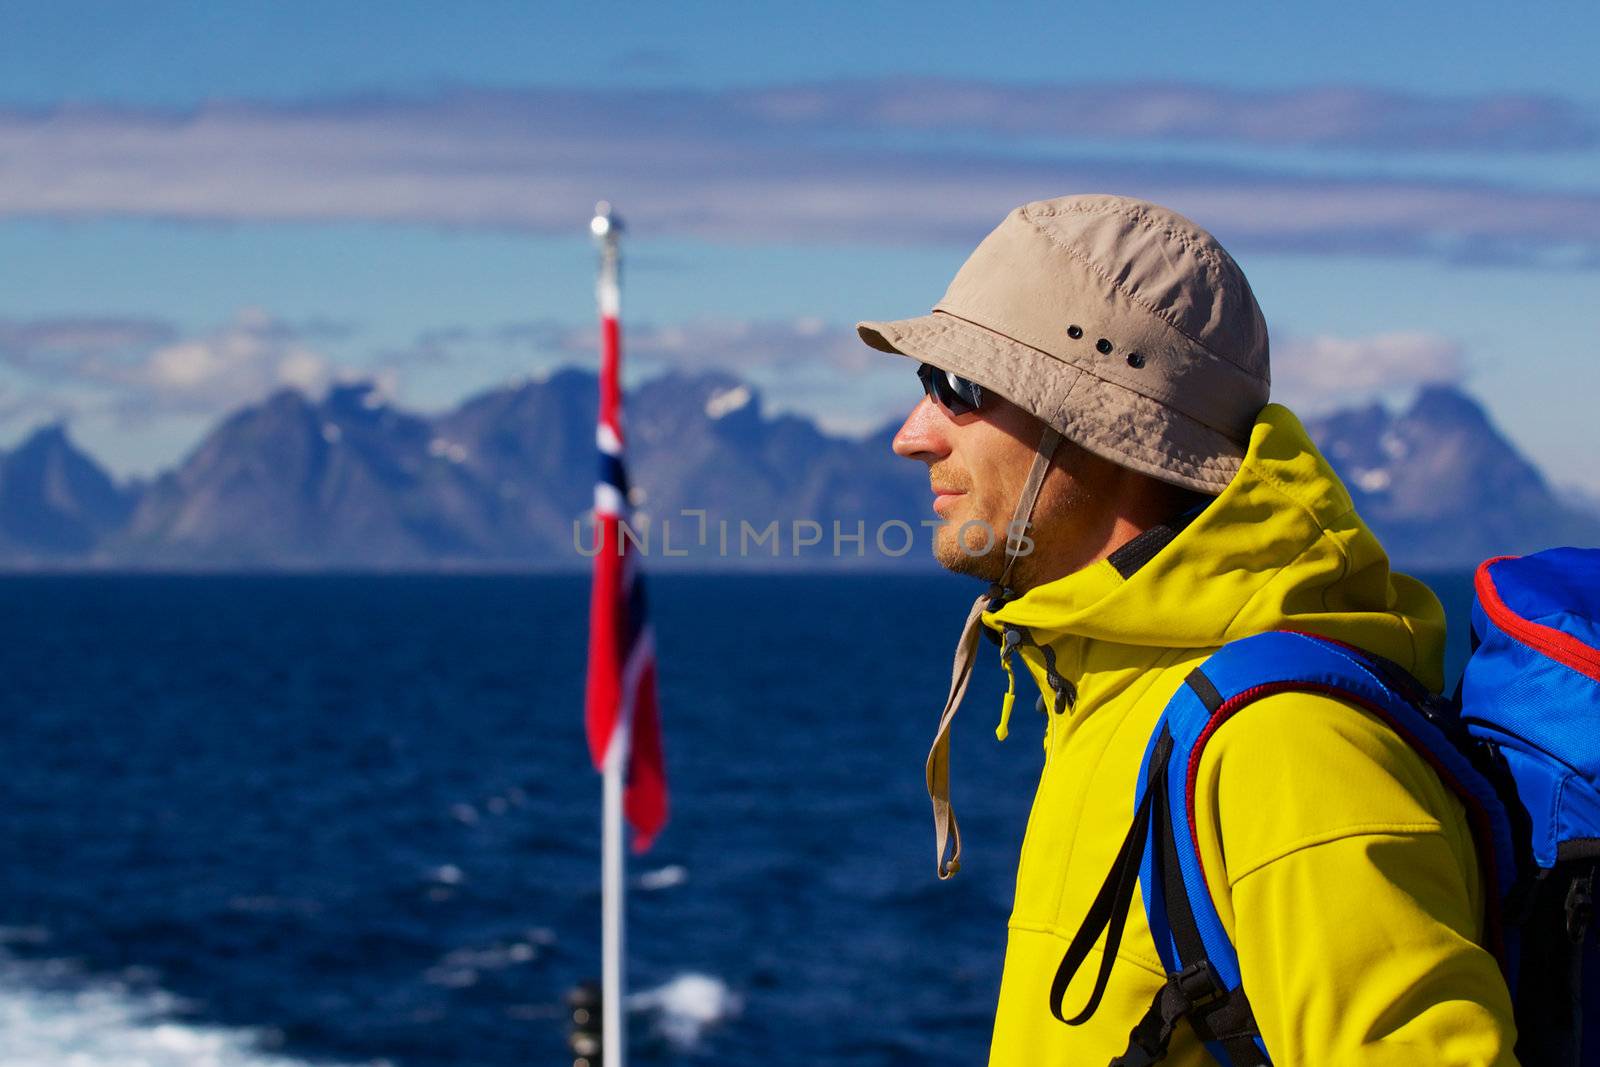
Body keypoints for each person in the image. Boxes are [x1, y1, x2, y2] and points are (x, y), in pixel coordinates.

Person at [856, 194, 1517, 1065]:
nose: (913, 435)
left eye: (963, 387)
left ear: (1099, 422)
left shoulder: (1286, 745)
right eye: (925, 384)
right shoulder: (1106, 688)